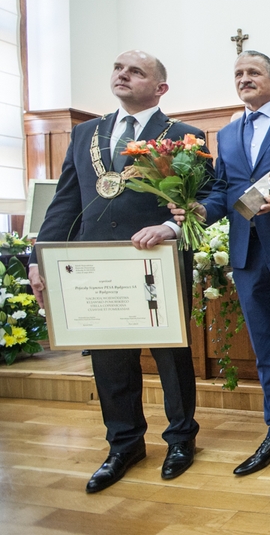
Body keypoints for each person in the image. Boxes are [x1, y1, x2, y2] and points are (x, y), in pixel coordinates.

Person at [28, 50, 203, 493]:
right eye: (118, 68)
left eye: (136, 71)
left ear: (160, 88)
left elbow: (201, 199)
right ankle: (124, 444)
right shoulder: (85, 132)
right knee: (110, 359)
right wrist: (38, 258)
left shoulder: (183, 135)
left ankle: (181, 439)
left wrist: (171, 226)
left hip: (155, 261)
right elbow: (66, 201)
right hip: (96, 265)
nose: (123, 75)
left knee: (171, 356)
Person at [174, 51, 270, 481]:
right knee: (266, 350)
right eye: (239, 73)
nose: (245, 78)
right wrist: (201, 210)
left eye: (254, 72)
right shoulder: (226, 134)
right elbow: (224, 191)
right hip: (246, 254)